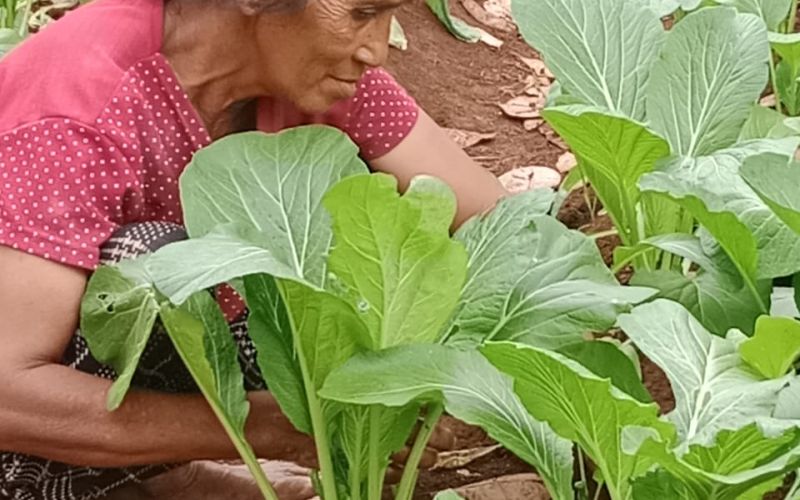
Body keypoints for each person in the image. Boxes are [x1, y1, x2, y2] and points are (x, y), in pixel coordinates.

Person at [0, 0, 507, 498]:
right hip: (29, 404)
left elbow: (502, 227)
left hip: (188, 345)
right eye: (360, 13)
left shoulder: (315, 69)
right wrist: (271, 428)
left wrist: (430, 382)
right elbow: (10, 396)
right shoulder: (78, 108)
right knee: (150, 264)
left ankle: (164, 474)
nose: (377, 49)